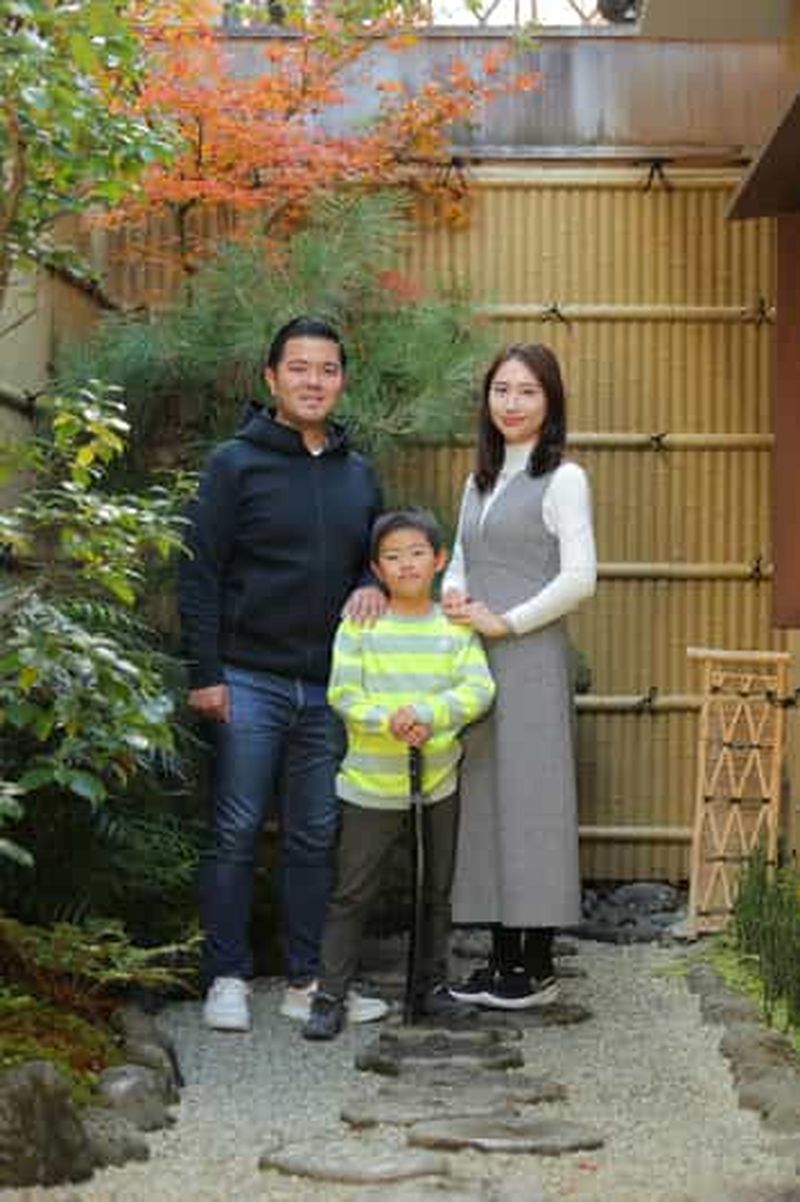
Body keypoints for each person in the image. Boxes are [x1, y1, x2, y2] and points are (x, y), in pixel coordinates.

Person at [178, 315, 388, 1033]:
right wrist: (206, 673)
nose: (313, 381)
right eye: (298, 368)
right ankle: (227, 976)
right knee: (236, 828)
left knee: (314, 834)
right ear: (271, 378)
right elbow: (199, 571)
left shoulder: (359, 472)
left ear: (342, 382)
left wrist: (373, 582)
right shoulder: (234, 464)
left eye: (327, 369)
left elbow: (379, 556)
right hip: (248, 679)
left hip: (331, 686)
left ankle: (307, 979)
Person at [302, 508, 496, 1040]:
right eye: (392, 556)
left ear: (439, 560)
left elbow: (479, 689)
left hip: (437, 782)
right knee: (352, 891)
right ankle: (329, 995)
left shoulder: (454, 628)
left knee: (434, 889)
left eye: (416, 553)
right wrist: (388, 720)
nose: (406, 564)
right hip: (369, 784)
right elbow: (344, 693)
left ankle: (430, 987)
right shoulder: (361, 625)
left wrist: (429, 714)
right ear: (376, 568)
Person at [442, 343, 596, 1011]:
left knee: (534, 804)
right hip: (477, 660)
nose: (512, 403)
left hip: (530, 658)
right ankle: (503, 957)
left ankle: (537, 965)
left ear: (550, 402)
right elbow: (459, 558)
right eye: (501, 389)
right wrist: (452, 596)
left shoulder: (564, 479)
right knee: (489, 804)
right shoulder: (477, 482)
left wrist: (507, 621)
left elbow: (580, 578)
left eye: (527, 391)